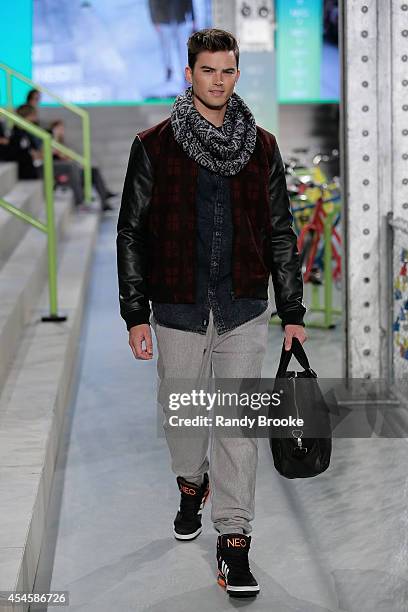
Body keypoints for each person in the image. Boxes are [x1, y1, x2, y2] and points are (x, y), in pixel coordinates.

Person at [116, 28, 307, 598]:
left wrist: (292, 307)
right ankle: (190, 483)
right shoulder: (154, 145)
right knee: (183, 424)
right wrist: (134, 312)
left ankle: (234, 541)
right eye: (208, 71)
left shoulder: (263, 147)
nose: (218, 81)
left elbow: (280, 232)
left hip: (245, 305)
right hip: (176, 304)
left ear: (236, 75)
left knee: (236, 428)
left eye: (227, 72)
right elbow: (131, 231)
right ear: (189, 73)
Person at [49, 119, 117, 212]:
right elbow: (64, 157)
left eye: (62, 128)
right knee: (89, 173)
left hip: (71, 172)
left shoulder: (61, 143)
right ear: (53, 130)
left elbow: (69, 157)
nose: (62, 130)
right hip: (63, 175)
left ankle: (104, 198)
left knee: (94, 171)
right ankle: (103, 196)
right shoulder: (50, 143)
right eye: (59, 128)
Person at [6, 105, 43, 179]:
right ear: (27, 117)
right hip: (23, 170)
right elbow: (16, 152)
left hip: (29, 166)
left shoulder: (25, 132)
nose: (35, 119)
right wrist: (32, 153)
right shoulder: (16, 133)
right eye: (34, 116)